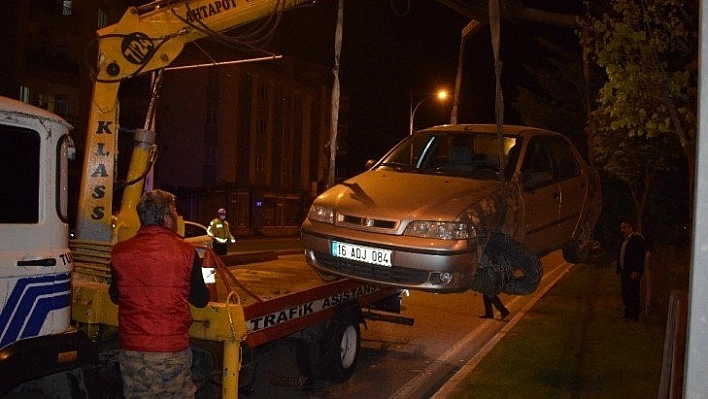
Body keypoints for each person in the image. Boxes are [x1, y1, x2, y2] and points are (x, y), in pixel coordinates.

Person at [109, 189, 209, 398]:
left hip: (132, 353)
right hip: (170, 352)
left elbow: (115, 296)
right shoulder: (186, 252)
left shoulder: (119, 252)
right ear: (165, 218)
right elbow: (201, 300)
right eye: (173, 211)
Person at [617, 220, 646, 321]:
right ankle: (628, 312)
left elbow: (638, 256)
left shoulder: (636, 239)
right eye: (621, 228)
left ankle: (634, 315)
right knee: (626, 293)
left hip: (632, 272)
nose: (622, 230)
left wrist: (636, 270)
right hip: (625, 271)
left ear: (630, 228)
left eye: (624, 228)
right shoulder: (625, 240)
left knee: (633, 293)